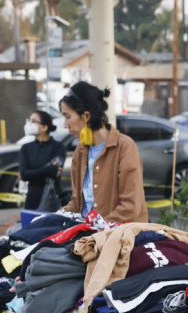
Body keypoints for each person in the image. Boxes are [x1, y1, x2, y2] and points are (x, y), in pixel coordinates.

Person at [60, 81, 147, 224]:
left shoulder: (124, 147)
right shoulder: (80, 151)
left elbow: (130, 208)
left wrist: (95, 228)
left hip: (116, 233)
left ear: (86, 116)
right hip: (86, 231)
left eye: (67, 116)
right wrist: (56, 216)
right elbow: (77, 204)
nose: (65, 125)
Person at [19, 110, 67, 211]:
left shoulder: (58, 147)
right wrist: (45, 170)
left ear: (44, 127)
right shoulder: (26, 148)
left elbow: (54, 171)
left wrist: (34, 173)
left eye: (33, 121)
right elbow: (24, 175)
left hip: (52, 197)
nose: (29, 124)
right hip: (32, 199)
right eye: (29, 120)